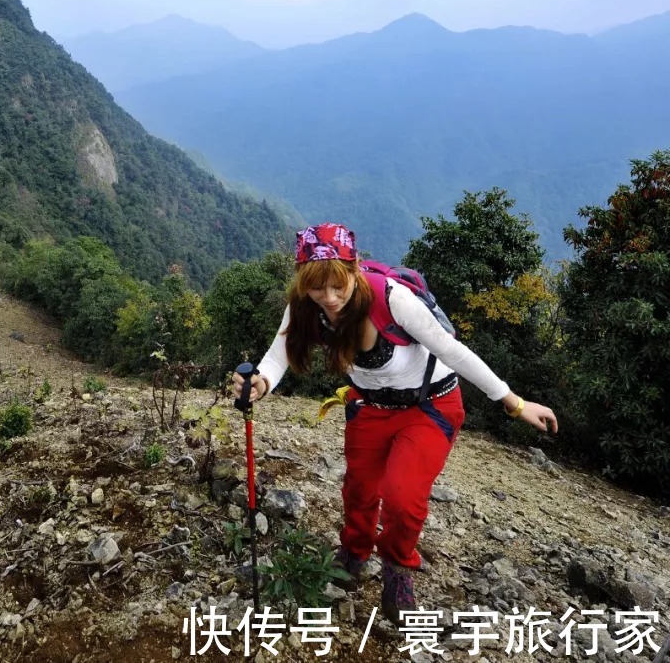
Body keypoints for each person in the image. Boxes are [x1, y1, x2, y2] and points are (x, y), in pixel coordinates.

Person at [232, 223, 557, 625]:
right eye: (317, 288)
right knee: (359, 488)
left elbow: (453, 351)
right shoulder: (304, 305)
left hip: (430, 407)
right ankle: (354, 550)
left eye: (338, 286)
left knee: (403, 497)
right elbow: (278, 356)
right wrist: (260, 383)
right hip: (369, 406)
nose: (329, 298)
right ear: (303, 282)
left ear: (354, 269)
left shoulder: (392, 299)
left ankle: (398, 569)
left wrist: (514, 403)